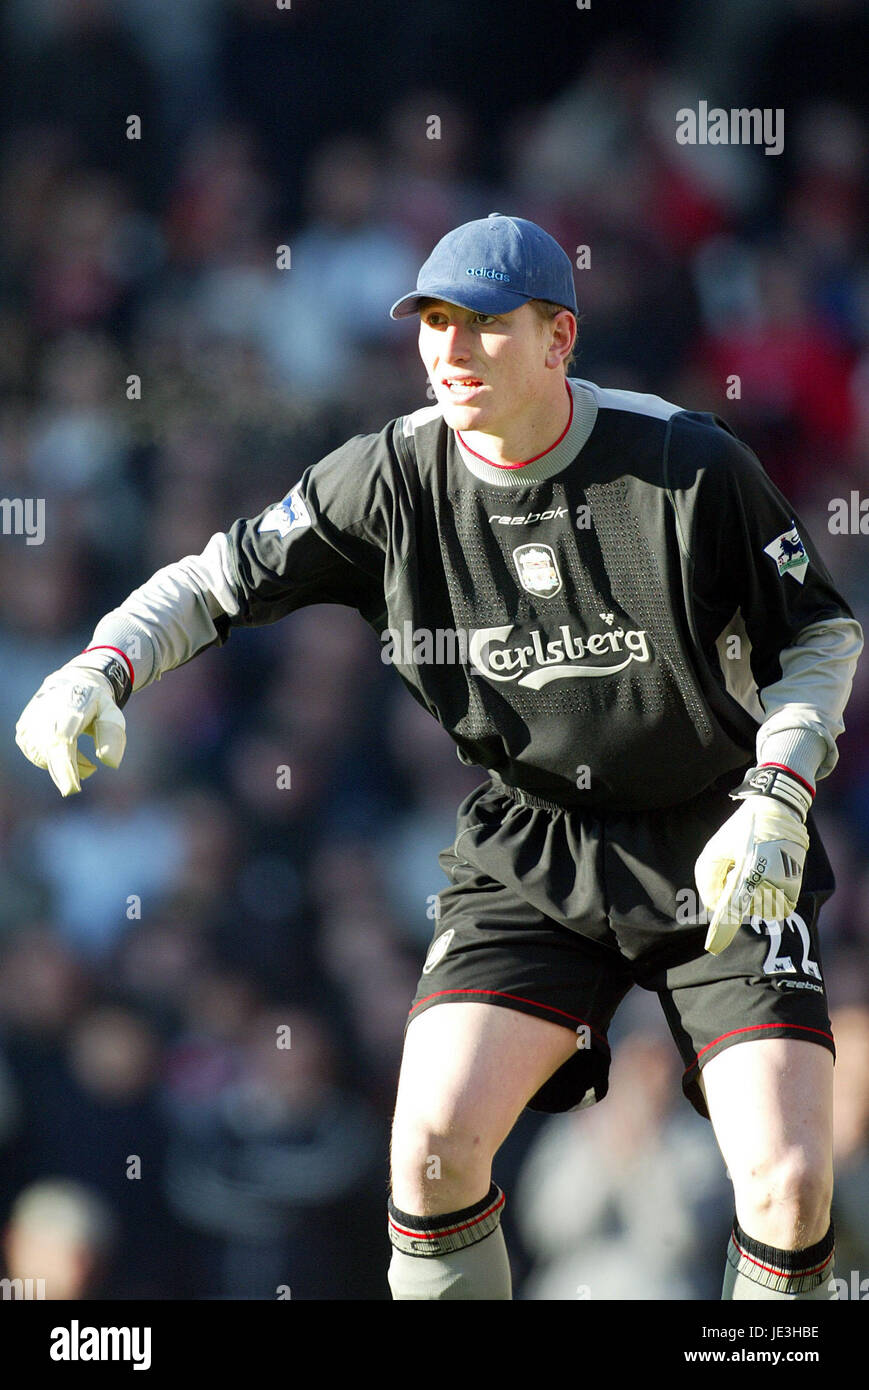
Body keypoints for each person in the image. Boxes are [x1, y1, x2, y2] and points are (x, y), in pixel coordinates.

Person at [15, 213, 863, 1301]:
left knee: (791, 1185)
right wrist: (104, 665)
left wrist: (780, 792)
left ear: (558, 339)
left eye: (484, 327)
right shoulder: (386, 478)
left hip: (719, 831)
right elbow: (212, 581)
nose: (450, 352)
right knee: (427, 1151)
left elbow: (820, 633)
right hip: (532, 838)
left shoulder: (683, 461)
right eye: (432, 323)